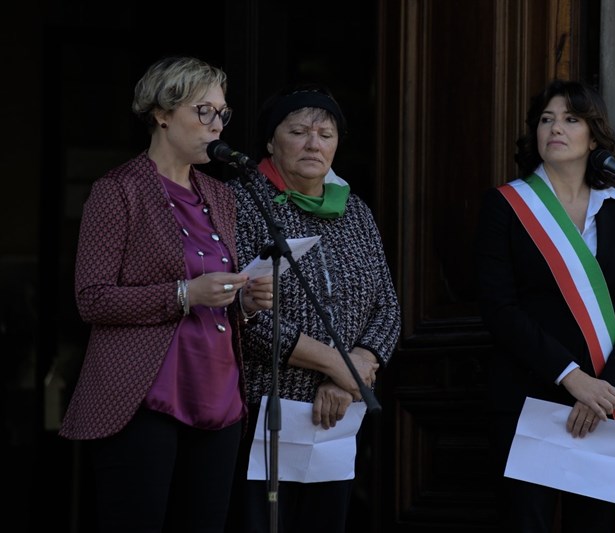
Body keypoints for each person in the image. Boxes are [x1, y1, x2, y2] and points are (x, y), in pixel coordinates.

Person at [59, 56, 275, 533]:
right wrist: (185, 293)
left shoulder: (219, 195)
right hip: (144, 398)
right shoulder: (118, 191)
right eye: (204, 111)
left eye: (223, 113)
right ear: (161, 113)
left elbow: (211, 292)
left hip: (217, 394)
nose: (216, 124)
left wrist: (243, 300)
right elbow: (91, 298)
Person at [474, 79, 615, 532]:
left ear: (593, 137)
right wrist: (572, 378)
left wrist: (606, 390)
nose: (555, 128)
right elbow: (499, 308)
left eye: (571, 119)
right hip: (529, 402)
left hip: (603, 407)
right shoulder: (507, 206)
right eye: (546, 119)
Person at [225, 84, 401, 533]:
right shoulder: (240, 202)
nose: (313, 143)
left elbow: (388, 308)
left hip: (338, 417)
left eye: (325, 134)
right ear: (270, 141)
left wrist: (348, 376)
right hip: (261, 411)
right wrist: (343, 367)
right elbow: (247, 316)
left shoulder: (355, 211)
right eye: (299, 131)